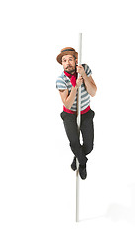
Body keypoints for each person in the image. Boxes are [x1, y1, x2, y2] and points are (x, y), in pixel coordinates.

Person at [56, 47, 97, 180]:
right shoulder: (60, 79)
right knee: (74, 143)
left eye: (70, 59)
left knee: (89, 147)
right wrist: (75, 87)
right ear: (62, 64)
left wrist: (84, 75)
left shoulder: (84, 69)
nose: (67, 63)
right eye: (64, 60)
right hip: (69, 114)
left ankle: (78, 157)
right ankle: (83, 163)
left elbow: (93, 92)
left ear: (76, 60)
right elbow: (67, 104)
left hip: (85, 112)